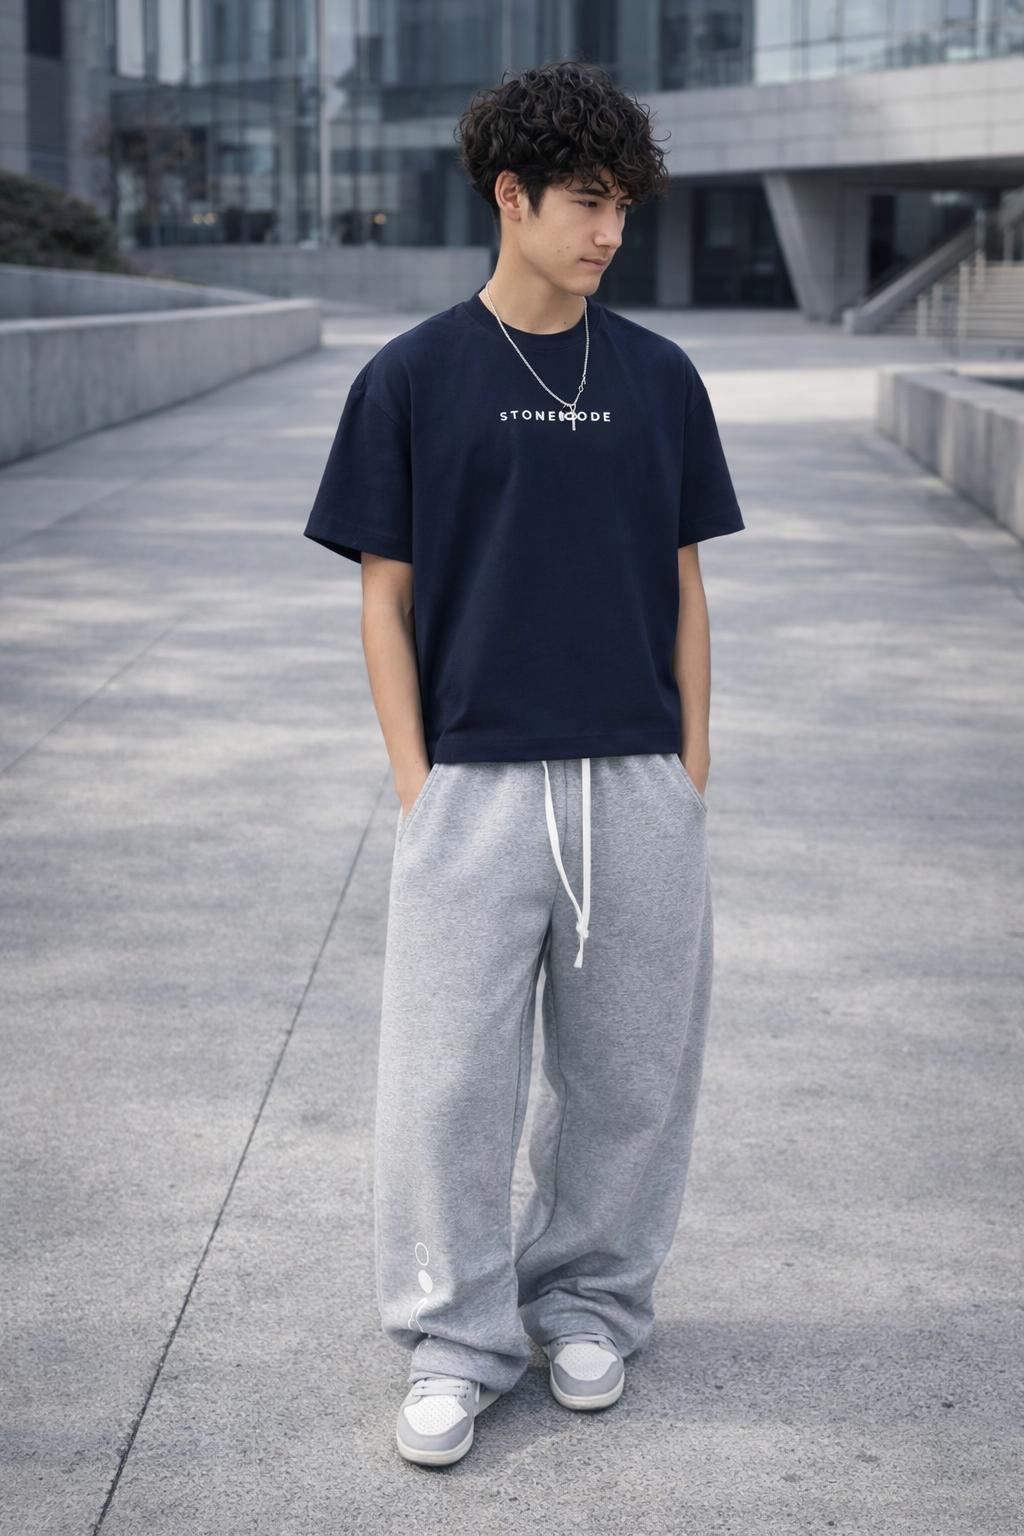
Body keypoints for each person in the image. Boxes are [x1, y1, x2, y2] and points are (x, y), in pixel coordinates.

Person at [303, 58, 746, 1467]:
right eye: (585, 201)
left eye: (623, 203)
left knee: (629, 1080)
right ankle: (455, 1338)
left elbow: (683, 581)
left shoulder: (661, 377)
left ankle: (594, 1306)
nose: (609, 230)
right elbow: (384, 594)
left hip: (635, 779)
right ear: (513, 195)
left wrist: (691, 765)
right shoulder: (414, 377)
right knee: (446, 1084)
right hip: (475, 785)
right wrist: (416, 782)